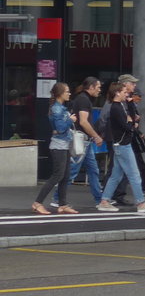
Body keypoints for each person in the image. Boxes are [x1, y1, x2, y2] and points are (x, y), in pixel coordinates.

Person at [95, 82, 145, 213]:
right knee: (134, 175)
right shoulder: (116, 108)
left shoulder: (120, 106)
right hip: (123, 145)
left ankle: (104, 201)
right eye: (124, 92)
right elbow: (127, 126)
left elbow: (132, 120)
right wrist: (131, 123)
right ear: (117, 93)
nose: (126, 94)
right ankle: (140, 203)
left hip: (120, 145)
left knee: (116, 175)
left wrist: (130, 113)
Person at [32, 83, 78, 215]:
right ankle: (38, 203)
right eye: (67, 91)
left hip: (64, 145)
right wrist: (70, 120)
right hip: (58, 146)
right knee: (57, 175)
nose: (69, 94)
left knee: (65, 176)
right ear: (60, 94)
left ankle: (62, 204)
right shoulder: (57, 109)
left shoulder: (60, 108)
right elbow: (60, 128)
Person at [65, 77, 105, 208]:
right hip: (82, 140)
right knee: (72, 171)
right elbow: (83, 121)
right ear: (91, 87)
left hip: (85, 141)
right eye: (98, 87)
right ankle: (58, 198)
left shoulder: (83, 98)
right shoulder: (84, 100)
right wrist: (96, 136)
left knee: (93, 170)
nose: (100, 90)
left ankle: (100, 199)